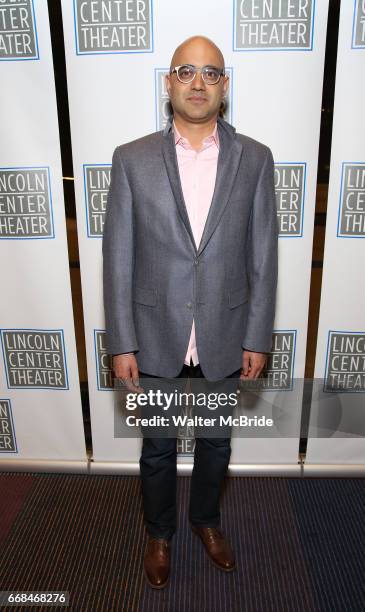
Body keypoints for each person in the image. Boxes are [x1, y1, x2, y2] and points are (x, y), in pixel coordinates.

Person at [102, 35, 278, 589]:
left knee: (216, 443)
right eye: (185, 71)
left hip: (225, 332)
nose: (197, 82)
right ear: (168, 83)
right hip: (155, 333)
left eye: (210, 73)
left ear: (225, 86)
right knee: (156, 449)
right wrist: (121, 341)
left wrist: (257, 336)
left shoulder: (255, 158)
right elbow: (118, 258)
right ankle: (159, 533)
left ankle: (205, 521)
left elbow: (263, 256)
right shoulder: (130, 159)